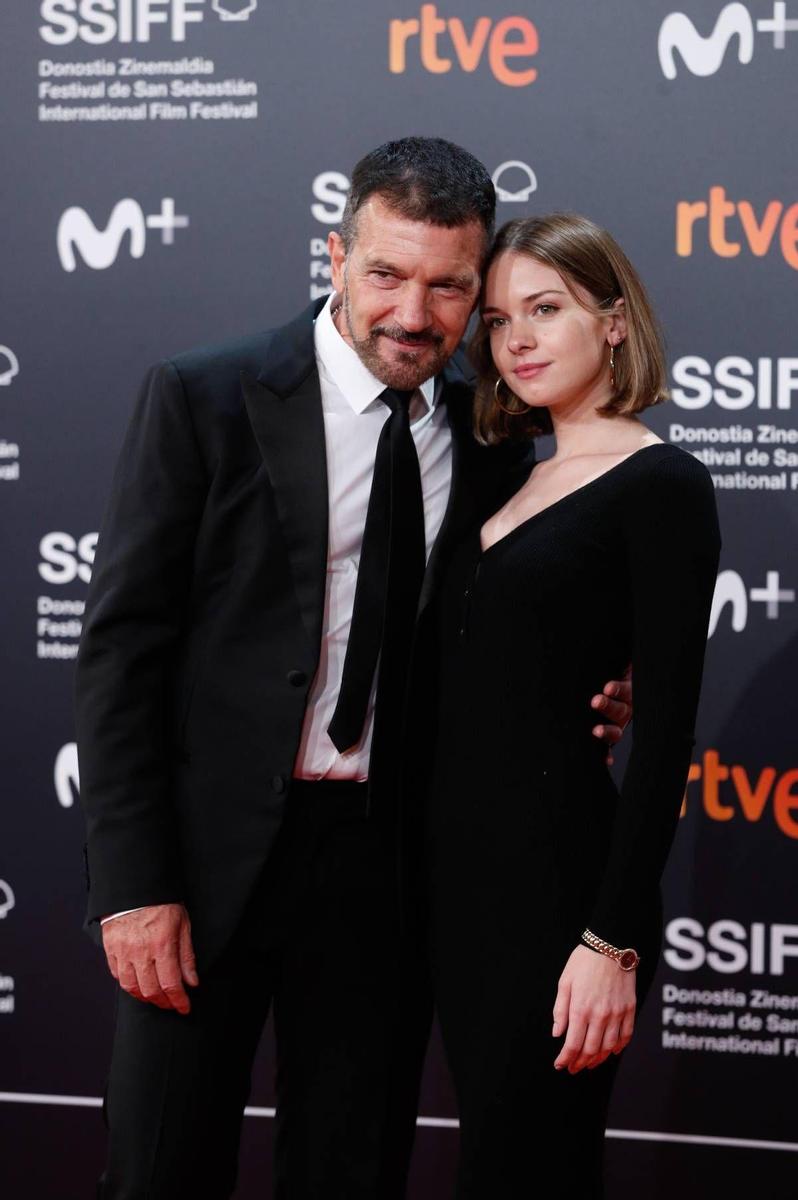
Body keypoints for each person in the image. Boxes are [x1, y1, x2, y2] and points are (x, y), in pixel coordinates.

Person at [75, 141, 632, 1199]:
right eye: (386, 274)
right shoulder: (208, 396)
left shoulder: (498, 435)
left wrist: (596, 690)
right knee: (158, 1168)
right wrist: (135, 885)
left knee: (349, 1167)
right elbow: (121, 651)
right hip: (202, 867)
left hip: (385, 870)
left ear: (479, 290)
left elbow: (523, 628)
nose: (413, 315)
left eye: (447, 287)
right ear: (335, 255)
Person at [427, 213, 721, 1198]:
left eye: (546, 309)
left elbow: (669, 727)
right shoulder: (501, 475)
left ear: (614, 322)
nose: (517, 339)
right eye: (502, 318)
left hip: (558, 894)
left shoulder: (662, 484)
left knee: (525, 1172)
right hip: (449, 889)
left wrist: (611, 939)